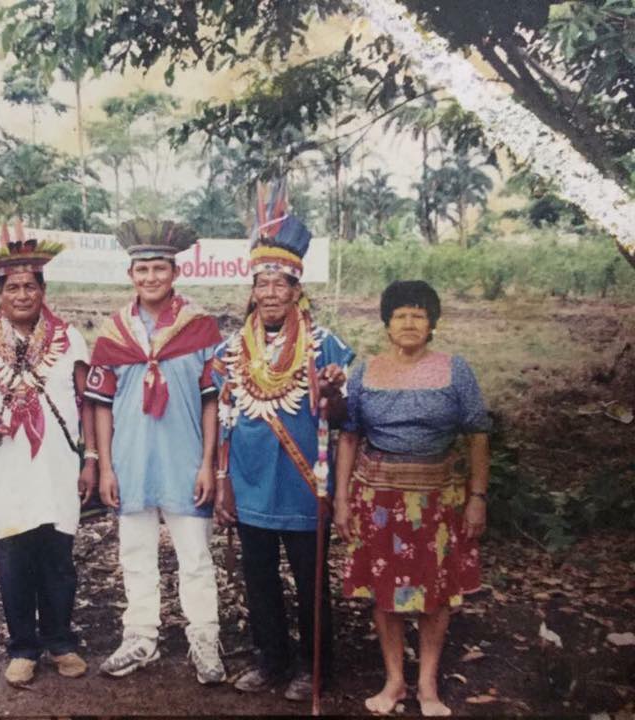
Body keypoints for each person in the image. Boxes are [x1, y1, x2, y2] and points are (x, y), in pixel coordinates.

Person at [213, 182, 354, 702]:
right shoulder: (232, 349)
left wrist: (333, 391)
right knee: (259, 580)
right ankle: (271, 660)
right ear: (252, 290)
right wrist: (225, 484)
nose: (271, 292)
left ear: (297, 290)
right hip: (250, 485)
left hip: (302, 484)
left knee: (310, 585)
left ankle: (315, 669)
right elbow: (226, 415)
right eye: (262, 283)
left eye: (281, 283)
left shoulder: (325, 345)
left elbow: (341, 417)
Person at [334, 280, 490, 717]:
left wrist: (478, 496)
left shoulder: (454, 370)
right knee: (385, 594)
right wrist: (342, 501)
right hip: (378, 501)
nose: (408, 323)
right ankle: (394, 682)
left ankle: (428, 687)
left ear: (432, 325)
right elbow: (348, 437)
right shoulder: (365, 372)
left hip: (438, 502)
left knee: (434, 595)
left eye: (418, 315)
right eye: (400, 315)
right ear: (386, 323)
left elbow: (478, 433)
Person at [0, 222, 96, 687]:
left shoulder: (69, 338)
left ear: (42, 289)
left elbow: (88, 401)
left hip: (56, 462)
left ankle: (60, 641)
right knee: (14, 557)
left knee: (57, 555)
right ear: (0, 293)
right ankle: (22, 647)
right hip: (7, 463)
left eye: (29, 286)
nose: (21, 295)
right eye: (12, 287)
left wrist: (90, 457)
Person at [85, 218, 226, 684]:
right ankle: (140, 636)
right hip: (131, 460)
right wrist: (106, 466)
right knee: (136, 555)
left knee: (196, 558)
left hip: (186, 460)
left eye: (159, 269)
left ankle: (204, 639)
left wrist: (208, 463)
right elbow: (101, 406)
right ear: (130, 275)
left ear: (174, 273)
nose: (150, 278)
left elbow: (212, 401)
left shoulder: (201, 328)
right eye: (142, 269)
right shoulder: (113, 333)